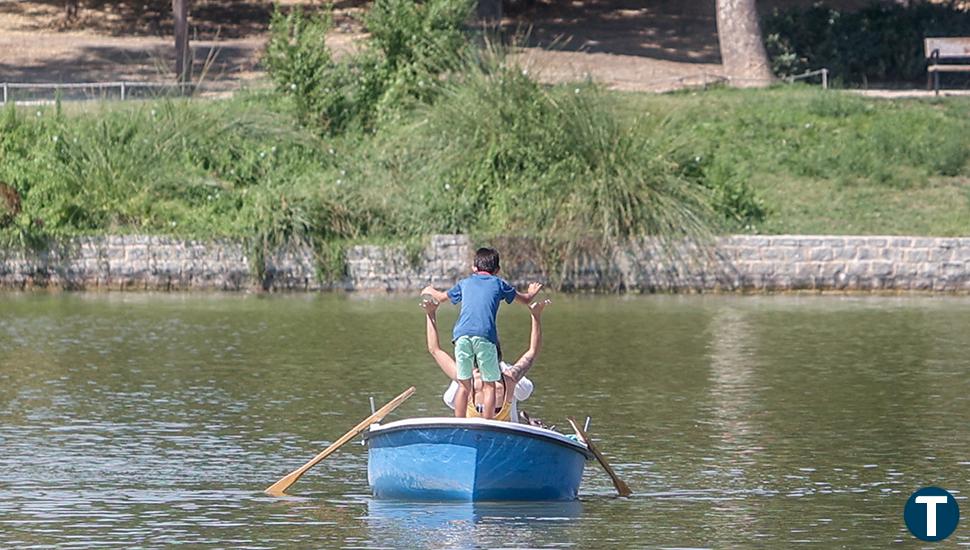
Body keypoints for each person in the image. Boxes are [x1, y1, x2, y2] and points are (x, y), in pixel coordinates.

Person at [421, 247, 542, 419]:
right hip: (485, 336)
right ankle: (488, 423)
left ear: (474, 268)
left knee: (463, 385)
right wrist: (531, 294)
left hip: (460, 335)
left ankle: (459, 423)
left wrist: (430, 292)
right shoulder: (499, 283)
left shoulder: (464, 283)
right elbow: (526, 299)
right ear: (497, 270)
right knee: (489, 385)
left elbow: (440, 299)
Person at [421, 295, 551, 422]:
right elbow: (533, 352)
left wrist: (431, 314)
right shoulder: (510, 378)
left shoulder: (466, 379)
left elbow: (435, 350)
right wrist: (536, 316)